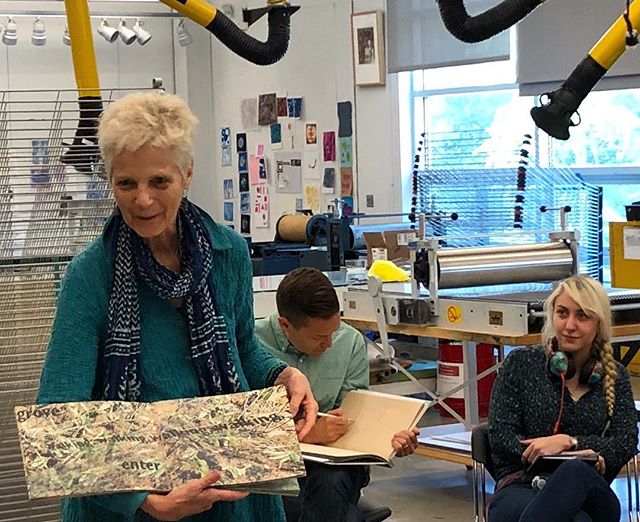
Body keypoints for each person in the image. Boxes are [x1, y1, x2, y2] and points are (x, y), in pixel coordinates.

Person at [36, 91, 318, 522]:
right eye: (126, 183)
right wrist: (145, 502)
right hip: (130, 499)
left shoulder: (228, 253)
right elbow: (59, 412)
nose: (143, 200)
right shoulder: (91, 275)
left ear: (187, 175)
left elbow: (242, 348)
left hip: (232, 485)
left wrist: (284, 373)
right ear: (110, 180)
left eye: (159, 181)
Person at [255, 267, 420, 522]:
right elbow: (243, 430)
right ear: (285, 325)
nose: (330, 344)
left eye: (334, 331)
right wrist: (307, 436)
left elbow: (357, 413)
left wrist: (390, 438)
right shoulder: (253, 347)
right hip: (273, 460)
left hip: (336, 462)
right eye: (320, 336)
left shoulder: (349, 341)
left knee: (328, 482)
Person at [488, 275, 638, 522]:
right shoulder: (521, 364)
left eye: (582, 316)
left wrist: (569, 442)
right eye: (562, 313)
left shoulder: (615, 375)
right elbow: (501, 437)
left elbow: (626, 442)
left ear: (599, 323)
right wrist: (549, 456)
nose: (570, 325)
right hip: (522, 485)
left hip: (591, 491)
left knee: (576, 470)